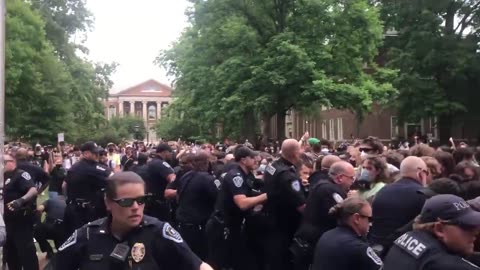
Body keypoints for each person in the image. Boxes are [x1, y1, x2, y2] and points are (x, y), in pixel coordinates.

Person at [55, 172, 213, 270]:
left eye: (141, 200)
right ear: (108, 203)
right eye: (126, 202)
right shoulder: (87, 235)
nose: (136, 207)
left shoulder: (159, 232)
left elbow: (197, 265)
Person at [206, 146, 267, 270]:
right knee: (220, 263)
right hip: (223, 226)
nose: (256, 160)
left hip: (234, 226)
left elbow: (254, 189)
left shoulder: (247, 175)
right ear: (243, 160)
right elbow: (243, 203)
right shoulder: (236, 176)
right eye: (252, 158)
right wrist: (268, 196)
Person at [382, 194, 480, 269]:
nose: (476, 231)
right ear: (439, 229)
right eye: (467, 226)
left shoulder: (409, 237)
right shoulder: (447, 264)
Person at [292, 161, 355, 270]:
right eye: (351, 178)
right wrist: (352, 200)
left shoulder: (321, 183)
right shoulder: (331, 190)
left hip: (307, 238)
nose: (352, 182)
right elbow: (344, 216)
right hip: (315, 242)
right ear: (340, 178)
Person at [369, 156, 429, 257]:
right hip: (404, 252)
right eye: (426, 172)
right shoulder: (423, 194)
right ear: (420, 172)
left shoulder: (383, 190)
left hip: (376, 249)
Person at [263, 139, 306, 270]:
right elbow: (302, 206)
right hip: (286, 224)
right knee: (284, 261)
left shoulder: (272, 166)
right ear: (295, 154)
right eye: (300, 151)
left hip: (271, 217)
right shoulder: (288, 175)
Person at [312, 197, 382, 270]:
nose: (371, 224)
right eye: (370, 219)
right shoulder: (358, 247)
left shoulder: (326, 235)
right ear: (357, 218)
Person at [63, 141, 113, 236]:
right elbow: (115, 178)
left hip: (72, 208)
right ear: (86, 153)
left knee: (73, 238)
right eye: (94, 153)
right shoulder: (93, 167)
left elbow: (64, 185)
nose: (97, 155)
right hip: (86, 211)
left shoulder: (74, 167)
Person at [176, 151, 218, 260]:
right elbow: (219, 198)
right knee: (202, 259)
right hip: (198, 228)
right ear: (206, 163)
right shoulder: (207, 179)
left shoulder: (185, 176)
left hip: (183, 225)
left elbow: (178, 196)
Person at [3, 154, 39, 270]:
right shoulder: (2, 176)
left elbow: (33, 190)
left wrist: (20, 200)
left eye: (4, 162)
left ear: (12, 161)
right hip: (6, 222)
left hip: (21, 221)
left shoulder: (20, 174)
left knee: (26, 252)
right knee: (10, 253)